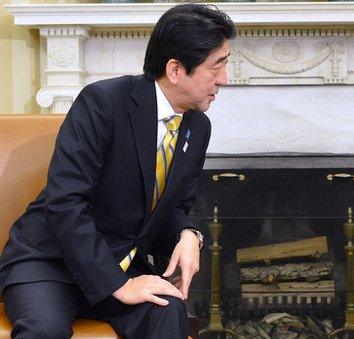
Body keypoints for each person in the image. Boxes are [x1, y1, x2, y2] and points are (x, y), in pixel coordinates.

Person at [0, 4, 236, 338]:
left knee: (169, 312)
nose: (224, 80)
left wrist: (188, 234)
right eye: (218, 66)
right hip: (50, 265)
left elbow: (173, 207)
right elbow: (65, 203)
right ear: (175, 69)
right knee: (45, 330)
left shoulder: (197, 127)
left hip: (120, 266)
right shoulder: (102, 103)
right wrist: (117, 285)